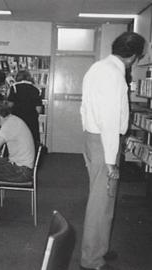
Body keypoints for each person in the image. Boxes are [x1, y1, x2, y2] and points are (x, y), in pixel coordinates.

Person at [80, 32, 146, 270]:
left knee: (102, 201)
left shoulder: (98, 68)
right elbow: (109, 120)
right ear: (134, 57)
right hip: (104, 142)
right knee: (102, 203)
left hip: (93, 138)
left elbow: (85, 108)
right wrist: (111, 160)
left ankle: (99, 248)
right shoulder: (114, 75)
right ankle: (91, 261)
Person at [7, 70, 42, 147]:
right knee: (31, 138)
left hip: (17, 117)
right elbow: (38, 109)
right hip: (31, 118)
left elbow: (10, 104)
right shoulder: (35, 89)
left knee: (16, 138)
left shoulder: (14, 87)